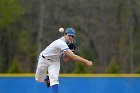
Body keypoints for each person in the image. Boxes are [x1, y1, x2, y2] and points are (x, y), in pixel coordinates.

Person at [35, 28, 93, 93]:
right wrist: (86, 61)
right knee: (39, 79)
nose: (71, 37)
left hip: (55, 61)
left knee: (54, 78)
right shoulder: (60, 43)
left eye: (72, 36)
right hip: (44, 59)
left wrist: (72, 51)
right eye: (69, 35)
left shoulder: (68, 44)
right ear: (65, 35)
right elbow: (73, 56)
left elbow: (66, 59)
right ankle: (46, 78)